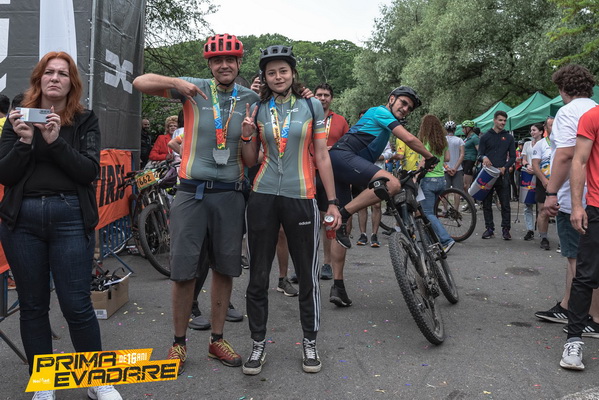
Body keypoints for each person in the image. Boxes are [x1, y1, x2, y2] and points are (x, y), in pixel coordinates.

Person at [133, 33, 259, 374]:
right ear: (210, 65)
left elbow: (251, 159)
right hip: (191, 193)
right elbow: (140, 82)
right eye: (217, 60)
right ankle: (179, 342)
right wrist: (176, 83)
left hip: (230, 193)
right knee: (183, 271)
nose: (224, 65)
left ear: (239, 63)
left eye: (230, 59)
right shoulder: (193, 88)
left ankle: (217, 339)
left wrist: (249, 135)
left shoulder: (251, 99)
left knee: (225, 269)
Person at [0, 51, 122, 400]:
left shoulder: (84, 120)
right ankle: (44, 382)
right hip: (22, 221)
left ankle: (96, 378)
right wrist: (25, 141)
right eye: (49, 72)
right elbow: (5, 174)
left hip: (70, 217)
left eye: (62, 74)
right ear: (38, 79)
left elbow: (88, 171)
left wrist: (55, 142)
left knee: (76, 304)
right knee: (33, 305)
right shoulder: (18, 118)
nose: (55, 78)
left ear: (72, 83)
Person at [240, 45, 341, 376]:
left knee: (308, 275)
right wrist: (246, 137)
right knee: (258, 275)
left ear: (293, 73)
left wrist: (332, 201)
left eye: (283, 70)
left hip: (302, 196)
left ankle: (310, 341)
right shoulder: (258, 107)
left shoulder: (312, 106)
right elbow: (251, 160)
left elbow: (322, 155)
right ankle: (257, 343)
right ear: (265, 78)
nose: (278, 76)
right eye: (271, 72)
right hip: (262, 195)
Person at [328, 86, 437, 307]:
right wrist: (430, 157)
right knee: (392, 184)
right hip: (342, 157)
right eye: (403, 103)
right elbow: (409, 139)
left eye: (409, 108)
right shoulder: (380, 112)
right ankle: (345, 212)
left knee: (341, 228)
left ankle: (337, 287)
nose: (405, 109)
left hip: (342, 165)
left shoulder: (383, 125)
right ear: (392, 99)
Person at [535, 64, 599, 333]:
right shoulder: (594, 109)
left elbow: (564, 156)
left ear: (563, 89)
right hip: (592, 194)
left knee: (579, 260)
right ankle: (567, 305)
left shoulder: (567, 112)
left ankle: (591, 317)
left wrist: (551, 192)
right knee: (581, 257)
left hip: (574, 197)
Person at [560, 104, 599, 370]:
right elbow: (579, 160)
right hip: (596, 206)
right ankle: (573, 340)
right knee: (585, 276)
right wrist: (576, 206)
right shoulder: (592, 117)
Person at [314, 83, 349, 275]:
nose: (322, 98)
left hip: (331, 175)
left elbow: (348, 147)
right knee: (308, 222)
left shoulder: (340, 121)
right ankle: (307, 264)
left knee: (328, 220)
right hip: (309, 172)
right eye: (319, 94)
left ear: (331, 98)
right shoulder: (306, 117)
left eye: (326, 95)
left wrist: (333, 150)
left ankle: (327, 263)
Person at [478, 110, 516, 240]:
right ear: (494, 120)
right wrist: (484, 158)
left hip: (502, 174)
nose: (503, 123)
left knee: (505, 203)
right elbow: (479, 155)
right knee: (487, 203)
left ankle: (506, 229)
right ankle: (489, 229)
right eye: (500, 120)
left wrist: (505, 167)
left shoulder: (509, 137)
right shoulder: (485, 137)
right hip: (487, 174)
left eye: (504, 120)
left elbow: (513, 157)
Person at [419, 115, 455, 253]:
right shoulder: (442, 141)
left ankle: (446, 240)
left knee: (427, 213)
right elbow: (447, 158)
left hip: (428, 179)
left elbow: (423, 160)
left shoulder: (426, 141)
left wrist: (416, 175)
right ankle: (431, 242)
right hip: (441, 179)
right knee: (433, 212)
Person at [531, 118, 554, 250]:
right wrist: (544, 180)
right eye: (551, 125)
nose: (554, 128)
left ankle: (564, 239)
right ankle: (543, 238)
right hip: (543, 182)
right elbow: (535, 164)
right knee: (543, 211)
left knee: (562, 212)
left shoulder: (564, 142)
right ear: (545, 128)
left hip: (562, 183)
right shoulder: (540, 144)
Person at [520, 124, 544, 241]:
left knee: (541, 205)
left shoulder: (545, 144)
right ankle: (529, 229)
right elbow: (523, 159)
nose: (532, 132)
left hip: (541, 175)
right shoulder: (527, 144)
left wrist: (537, 169)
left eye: (534, 130)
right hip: (528, 174)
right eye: (531, 130)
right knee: (527, 203)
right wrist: (527, 165)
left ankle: (541, 230)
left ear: (541, 131)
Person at [461, 120, 479, 196]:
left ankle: (470, 201)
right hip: (465, 161)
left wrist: (476, 162)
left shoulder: (475, 138)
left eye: (463, 128)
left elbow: (479, 151)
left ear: (468, 128)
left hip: (470, 161)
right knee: (464, 185)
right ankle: (469, 201)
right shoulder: (467, 138)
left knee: (466, 185)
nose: (462, 130)